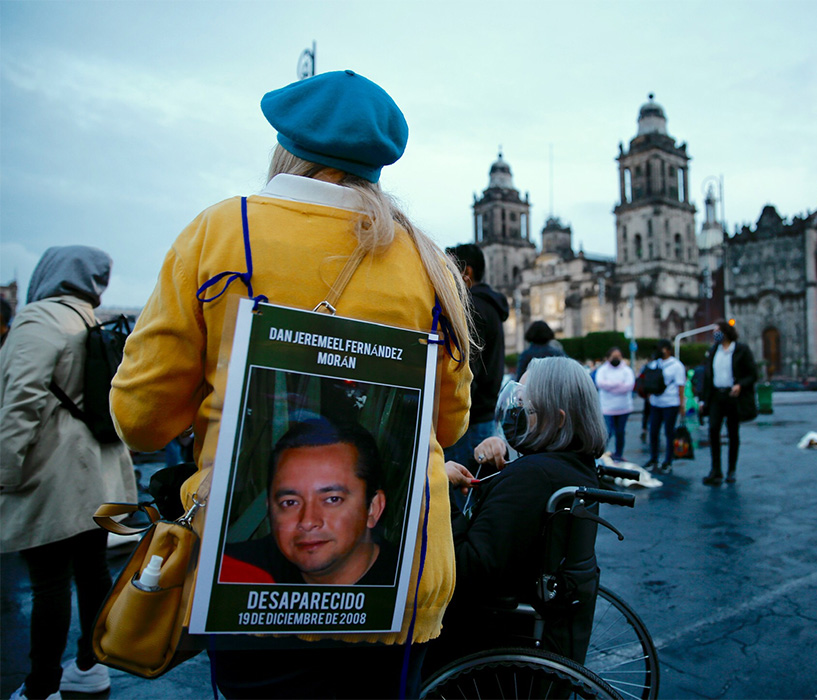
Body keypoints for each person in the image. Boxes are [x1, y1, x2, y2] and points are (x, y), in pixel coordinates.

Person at [109, 70, 473, 699]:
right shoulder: (429, 261)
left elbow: (142, 419)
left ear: (287, 145)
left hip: (253, 571)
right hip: (400, 572)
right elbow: (447, 426)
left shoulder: (222, 233)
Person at [1, 246, 137, 700]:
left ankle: (41, 687)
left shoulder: (40, 319)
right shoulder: (91, 320)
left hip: (51, 474)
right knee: (93, 572)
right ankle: (89, 665)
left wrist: (4, 470)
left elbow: (19, 403)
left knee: (49, 582)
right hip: (98, 474)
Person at [436, 356, 607, 667]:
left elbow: (469, 566)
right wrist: (498, 460)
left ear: (557, 419)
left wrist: (438, 487)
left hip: (480, 634)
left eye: (524, 406)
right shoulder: (572, 465)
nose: (515, 412)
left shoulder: (533, 476)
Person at [220, 418, 394, 586]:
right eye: (290, 503)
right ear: (270, 510)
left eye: (332, 499)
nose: (308, 521)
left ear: (373, 508)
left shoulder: (412, 590)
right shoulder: (231, 574)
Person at [444, 243, 509, 471]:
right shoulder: (491, 307)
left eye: (450, 269)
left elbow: (466, 369)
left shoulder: (471, 307)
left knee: (462, 490)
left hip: (467, 419)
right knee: (478, 485)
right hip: (485, 414)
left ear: (466, 272)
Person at [699, 320, 758, 485]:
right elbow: (707, 376)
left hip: (733, 396)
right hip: (717, 396)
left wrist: (740, 384)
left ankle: (731, 470)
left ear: (726, 332)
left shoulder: (741, 350)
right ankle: (715, 470)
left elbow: (752, 374)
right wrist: (703, 399)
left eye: (718, 331)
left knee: (733, 433)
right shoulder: (713, 351)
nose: (715, 334)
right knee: (713, 430)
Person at [644, 340, 687, 474]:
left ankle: (668, 461)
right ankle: (654, 459)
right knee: (654, 432)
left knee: (669, 433)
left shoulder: (676, 366)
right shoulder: (654, 364)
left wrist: (681, 405)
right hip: (656, 403)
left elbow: (681, 386)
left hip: (670, 403)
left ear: (667, 349)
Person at [594, 347, 635, 461]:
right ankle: (600, 454)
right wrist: (619, 385)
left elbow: (629, 386)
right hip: (607, 408)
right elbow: (600, 383)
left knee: (620, 432)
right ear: (608, 358)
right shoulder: (602, 370)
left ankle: (618, 454)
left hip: (624, 408)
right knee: (607, 432)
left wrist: (611, 386)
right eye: (614, 356)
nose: (616, 359)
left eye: (618, 356)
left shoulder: (627, 370)